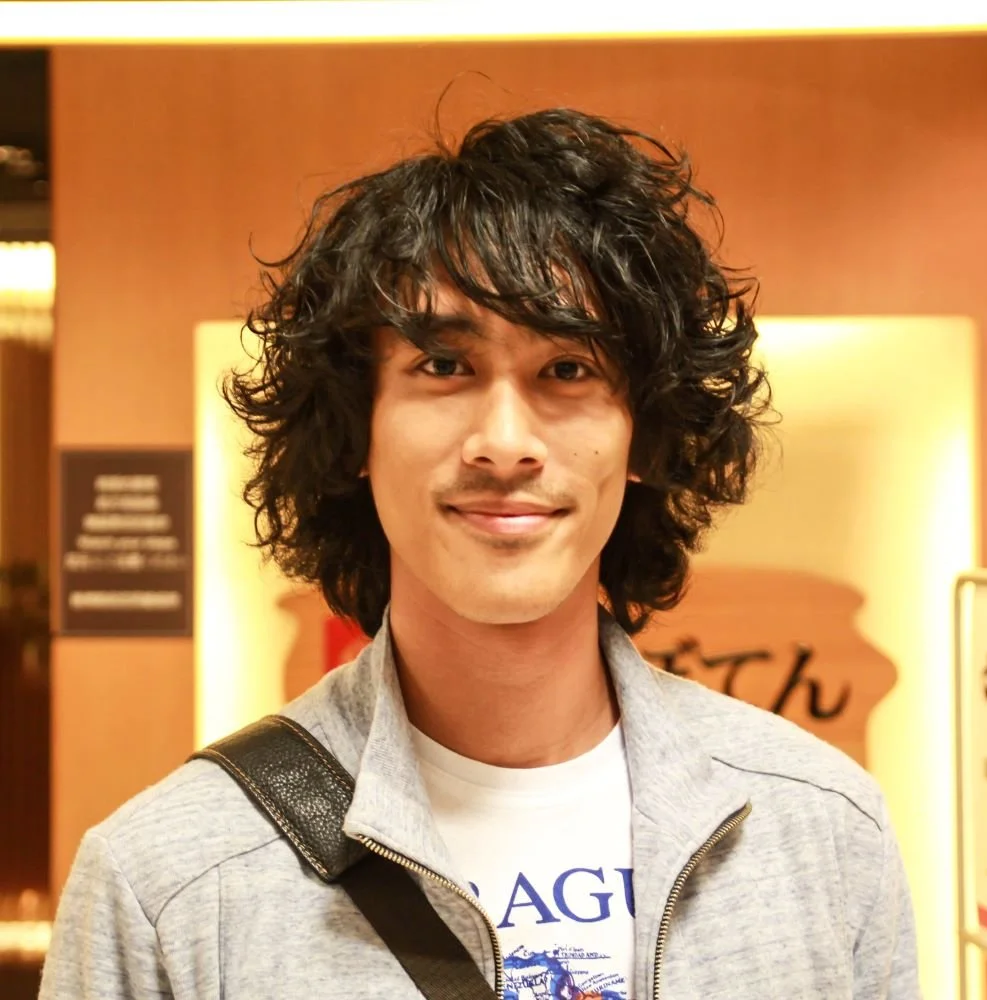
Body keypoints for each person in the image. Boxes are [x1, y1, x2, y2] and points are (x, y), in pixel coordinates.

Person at [40, 108, 920, 999]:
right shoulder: (167, 882)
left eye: (568, 369)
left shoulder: (820, 827)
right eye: (443, 368)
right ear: (357, 427)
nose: (504, 444)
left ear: (643, 436)